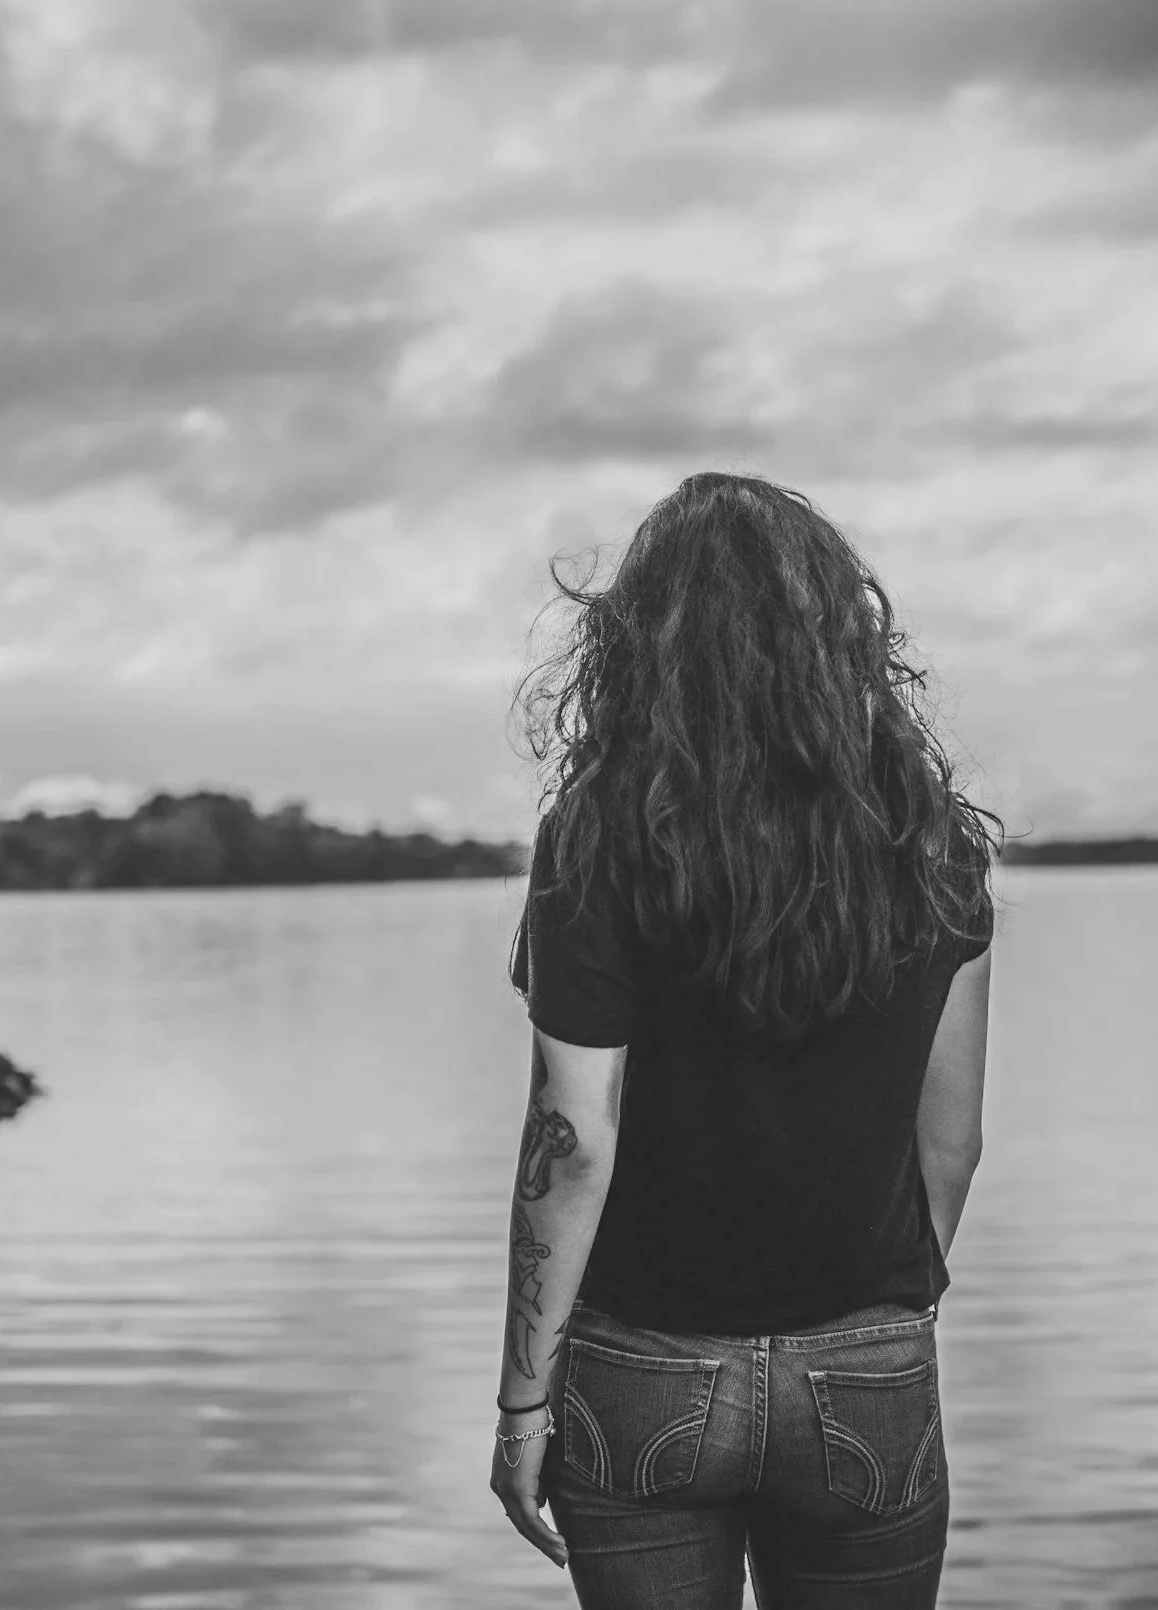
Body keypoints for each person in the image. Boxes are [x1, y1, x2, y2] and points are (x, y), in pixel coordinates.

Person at [488, 472, 999, 1608]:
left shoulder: (598, 835)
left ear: (640, 641)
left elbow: (573, 1140)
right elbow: (951, 1145)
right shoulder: (929, 837)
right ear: (837, 632)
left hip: (640, 1365)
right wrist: (878, 1321)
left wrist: (524, 1400)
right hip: (866, 1356)